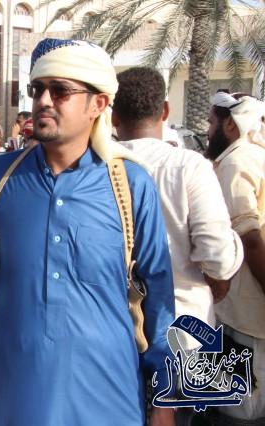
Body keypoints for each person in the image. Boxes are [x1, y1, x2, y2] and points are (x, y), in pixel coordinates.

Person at [0, 39, 176, 425]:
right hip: (13, 401)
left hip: (111, 401)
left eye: (60, 91)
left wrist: (165, 401)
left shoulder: (130, 185)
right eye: (38, 89)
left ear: (98, 104)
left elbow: (160, 297)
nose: (44, 101)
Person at [113, 66, 243, 337]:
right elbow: (218, 257)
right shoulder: (189, 167)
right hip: (183, 327)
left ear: (113, 115)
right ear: (165, 111)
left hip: (113, 326)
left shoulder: (95, 169)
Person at [206, 91, 265, 424]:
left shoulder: (236, 162)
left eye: (211, 122)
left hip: (246, 313)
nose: (208, 131)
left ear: (230, 125)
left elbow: (250, 239)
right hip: (248, 312)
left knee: (242, 410)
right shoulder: (256, 156)